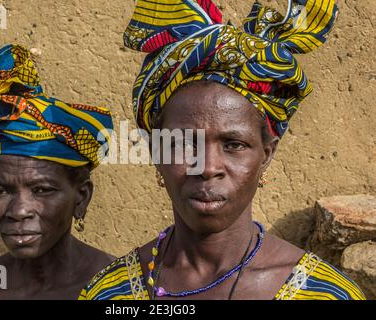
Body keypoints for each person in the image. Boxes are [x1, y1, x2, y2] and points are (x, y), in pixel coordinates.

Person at [79, 0, 366, 300]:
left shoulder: (326, 294)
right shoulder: (110, 294)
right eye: (185, 143)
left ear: (266, 155)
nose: (207, 167)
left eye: (233, 145)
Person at [0, 37, 114, 300]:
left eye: (41, 189)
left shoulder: (131, 292)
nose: (19, 211)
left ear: (81, 197)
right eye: (0, 191)